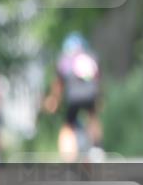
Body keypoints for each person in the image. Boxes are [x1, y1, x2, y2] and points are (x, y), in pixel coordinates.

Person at [43, 32, 103, 162]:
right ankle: (97, 149)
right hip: (91, 94)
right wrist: (99, 99)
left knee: (68, 126)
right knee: (92, 118)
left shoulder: (64, 60)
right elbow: (98, 80)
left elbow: (58, 84)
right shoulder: (91, 57)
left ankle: (69, 156)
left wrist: (54, 100)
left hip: (73, 97)